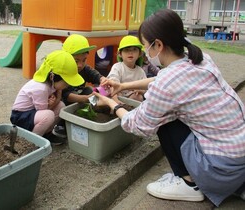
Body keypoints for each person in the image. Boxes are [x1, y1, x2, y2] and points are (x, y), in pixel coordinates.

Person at [94, 9, 245, 207]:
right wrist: (123, 86)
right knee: (168, 110)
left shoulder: (168, 84)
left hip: (220, 166)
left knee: (164, 119)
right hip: (239, 155)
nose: (145, 52)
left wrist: (112, 103)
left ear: (158, 45)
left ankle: (189, 183)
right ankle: (237, 185)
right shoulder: (199, 58)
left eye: (145, 46)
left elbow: (136, 123)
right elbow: (162, 81)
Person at [10, 50, 84, 145]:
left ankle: (46, 134)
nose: (68, 85)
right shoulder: (41, 88)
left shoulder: (51, 84)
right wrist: (56, 100)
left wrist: (56, 102)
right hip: (20, 117)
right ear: (53, 76)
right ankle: (31, 142)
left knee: (61, 106)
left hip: (33, 114)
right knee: (48, 115)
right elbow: (44, 111)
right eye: (66, 82)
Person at [52, 34, 107, 138]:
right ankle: (61, 125)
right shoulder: (61, 72)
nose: (80, 65)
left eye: (84, 60)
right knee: (61, 104)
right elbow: (65, 95)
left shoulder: (84, 69)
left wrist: (103, 80)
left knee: (89, 90)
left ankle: (87, 115)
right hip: (63, 102)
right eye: (76, 61)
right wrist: (84, 99)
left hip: (80, 98)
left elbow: (95, 76)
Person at [107, 35, 147, 102]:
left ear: (139, 53)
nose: (130, 52)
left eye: (134, 50)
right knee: (112, 92)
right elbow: (113, 82)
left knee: (138, 97)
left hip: (132, 97)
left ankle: (131, 110)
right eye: (126, 50)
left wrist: (141, 90)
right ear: (120, 54)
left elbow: (146, 86)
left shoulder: (140, 71)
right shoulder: (117, 67)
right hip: (118, 96)